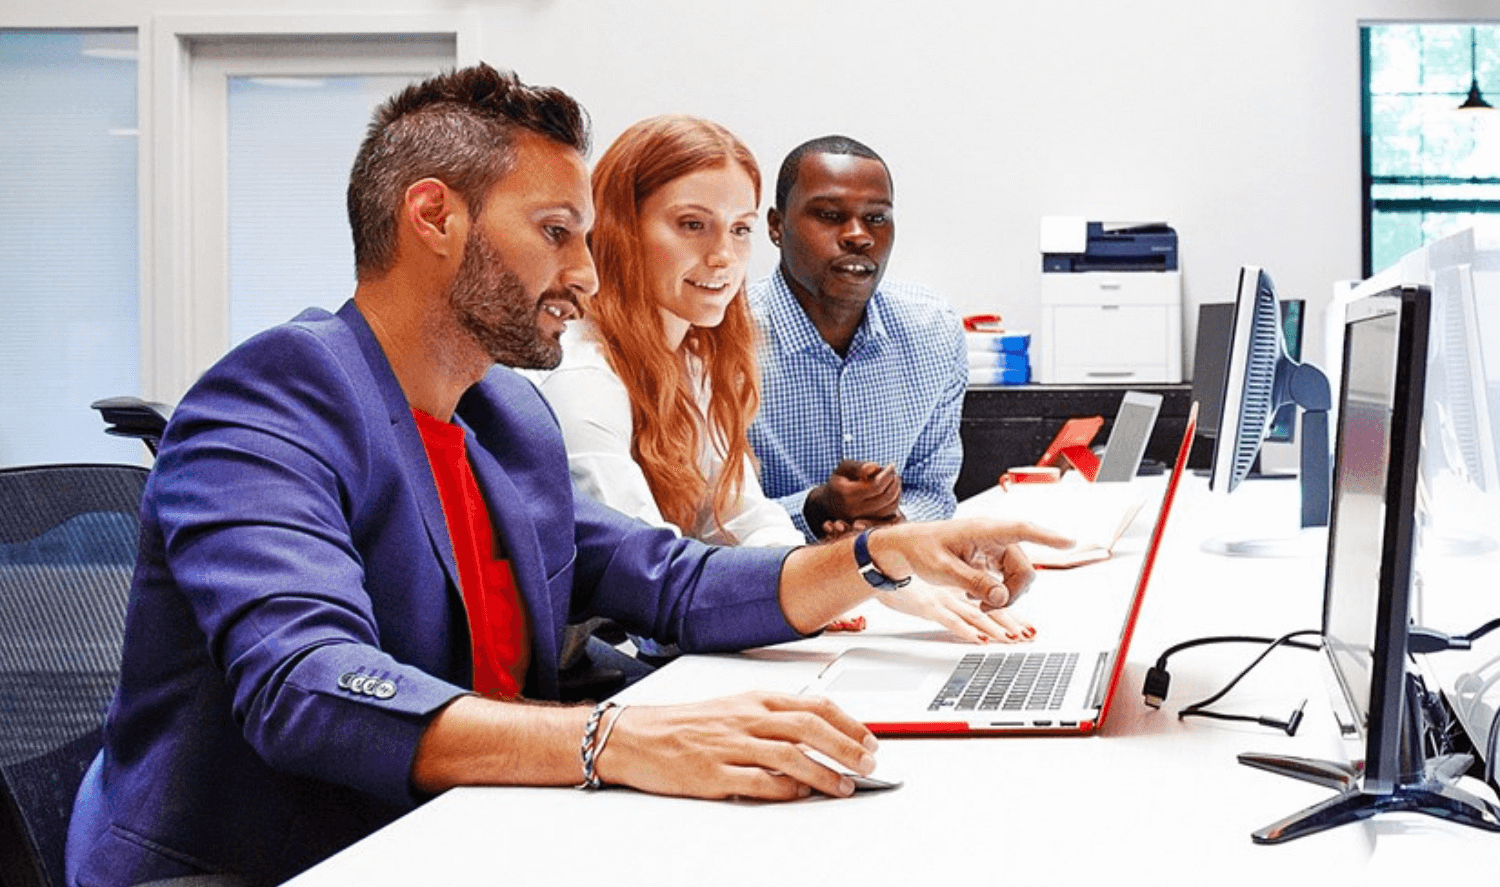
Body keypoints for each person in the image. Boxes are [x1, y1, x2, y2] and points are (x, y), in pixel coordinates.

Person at [66, 66, 1066, 886]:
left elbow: (672, 579)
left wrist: (882, 554)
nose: (588, 274)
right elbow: (307, 685)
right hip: (277, 858)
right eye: (556, 233)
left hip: (458, 830)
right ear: (433, 217)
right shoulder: (273, 399)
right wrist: (611, 739)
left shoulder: (501, 420)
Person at [533, 114, 1025, 642]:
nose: (724, 256)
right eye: (692, 224)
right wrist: (868, 566)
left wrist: (891, 586)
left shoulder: (694, 359)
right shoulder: (582, 375)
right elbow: (655, 585)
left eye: (738, 229)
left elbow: (741, 519)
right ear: (619, 228)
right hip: (574, 685)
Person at [746, 135, 965, 538]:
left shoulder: (932, 330)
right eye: (830, 215)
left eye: (876, 218)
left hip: (892, 580)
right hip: (761, 584)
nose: (859, 236)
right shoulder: (721, 336)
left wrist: (890, 529)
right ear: (777, 227)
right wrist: (814, 510)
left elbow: (933, 491)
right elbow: (701, 518)